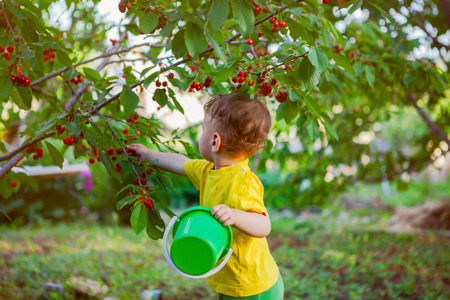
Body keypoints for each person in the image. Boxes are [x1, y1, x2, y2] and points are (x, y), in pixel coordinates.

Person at [126, 93, 284, 299]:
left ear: (215, 141)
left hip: (253, 286)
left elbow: (264, 225)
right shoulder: (208, 171)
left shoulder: (243, 182)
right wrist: (148, 155)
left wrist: (235, 215)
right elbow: (179, 162)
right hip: (230, 281)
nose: (202, 134)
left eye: (203, 131)